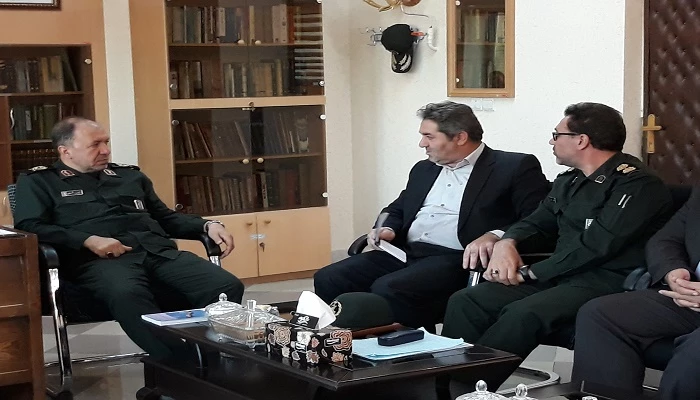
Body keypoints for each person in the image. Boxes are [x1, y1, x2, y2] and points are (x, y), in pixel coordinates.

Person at [441, 102, 674, 359]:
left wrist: (530, 272)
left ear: (581, 140)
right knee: (466, 301)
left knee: (522, 314)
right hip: (559, 274)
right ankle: (446, 374)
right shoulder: (570, 180)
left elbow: (596, 246)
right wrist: (507, 242)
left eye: (557, 135)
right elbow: (537, 221)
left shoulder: (636, 184)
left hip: (604, 280)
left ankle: (472, 381)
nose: (552, 141)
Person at [13, 117, 244, 360]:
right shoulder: (39, 182)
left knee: (225, 285)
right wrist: (88, 240)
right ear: (66, 151)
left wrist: (207, 225)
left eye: (106, 142)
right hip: (100, 262)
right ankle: (178, 362)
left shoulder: (129, 176)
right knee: (128, 293)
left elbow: (164, 217)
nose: (105, 150)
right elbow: (30, 226)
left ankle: (210, 356)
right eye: (95, 145)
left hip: (157, 253)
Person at [314, 100, 550, 328]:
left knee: (389, 287)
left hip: (457, 258)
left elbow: (538, 218)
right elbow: (397, 208)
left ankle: (408, 349)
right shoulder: (423, 169)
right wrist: (387, 228)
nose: (422, 144)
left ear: (460, 137)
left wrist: (495, 235)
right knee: (330, 276)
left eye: (429, 136)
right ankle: (348, 343)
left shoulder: (513, 166)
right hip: (406, 252)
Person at [572, 187, 700, 399]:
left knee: (694, 352)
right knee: (601, 315)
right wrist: (672, 270)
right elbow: (665, 239)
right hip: (690, 296)